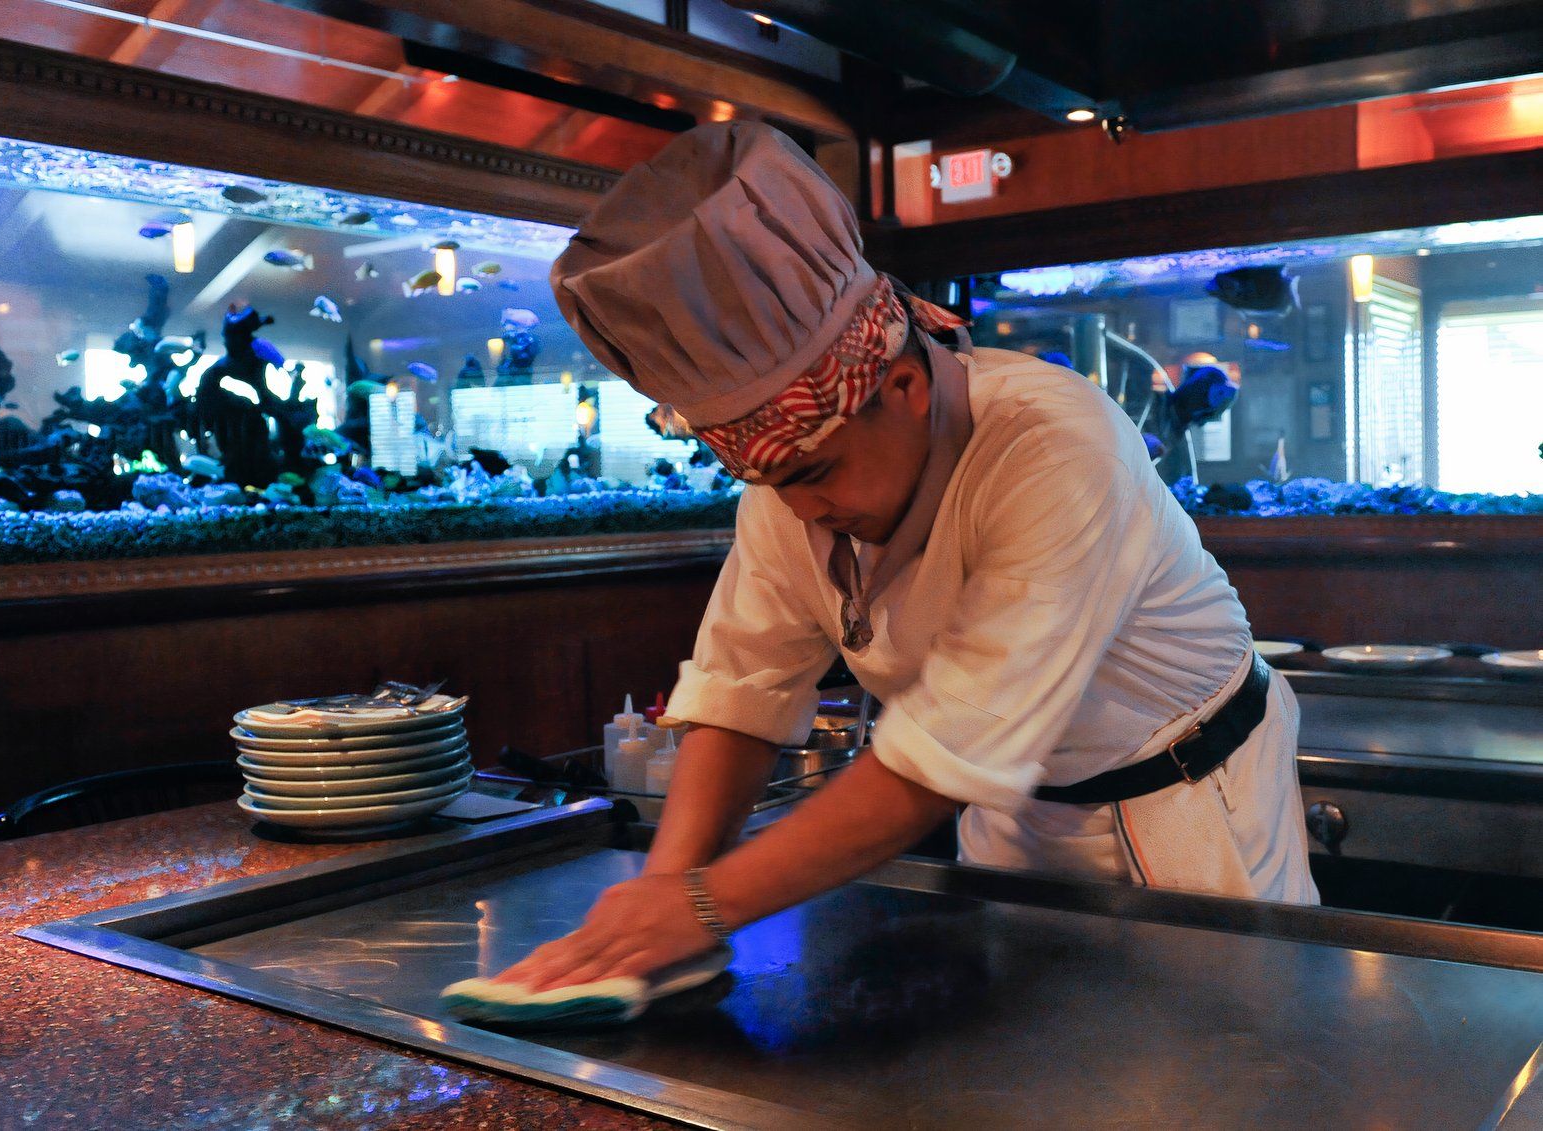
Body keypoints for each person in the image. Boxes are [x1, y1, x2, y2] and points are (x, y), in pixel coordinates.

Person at [497, 121, 1317, 993]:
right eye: (769, 481)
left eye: (812, 472)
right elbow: (743, 688)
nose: (799, 507)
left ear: (905, 385)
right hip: (1016, 809)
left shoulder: (1054, 444)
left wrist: (701, 907)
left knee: (1212, 1075)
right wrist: (662, 895)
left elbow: (940, 757)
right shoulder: (789, 486)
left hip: (1191, 802)